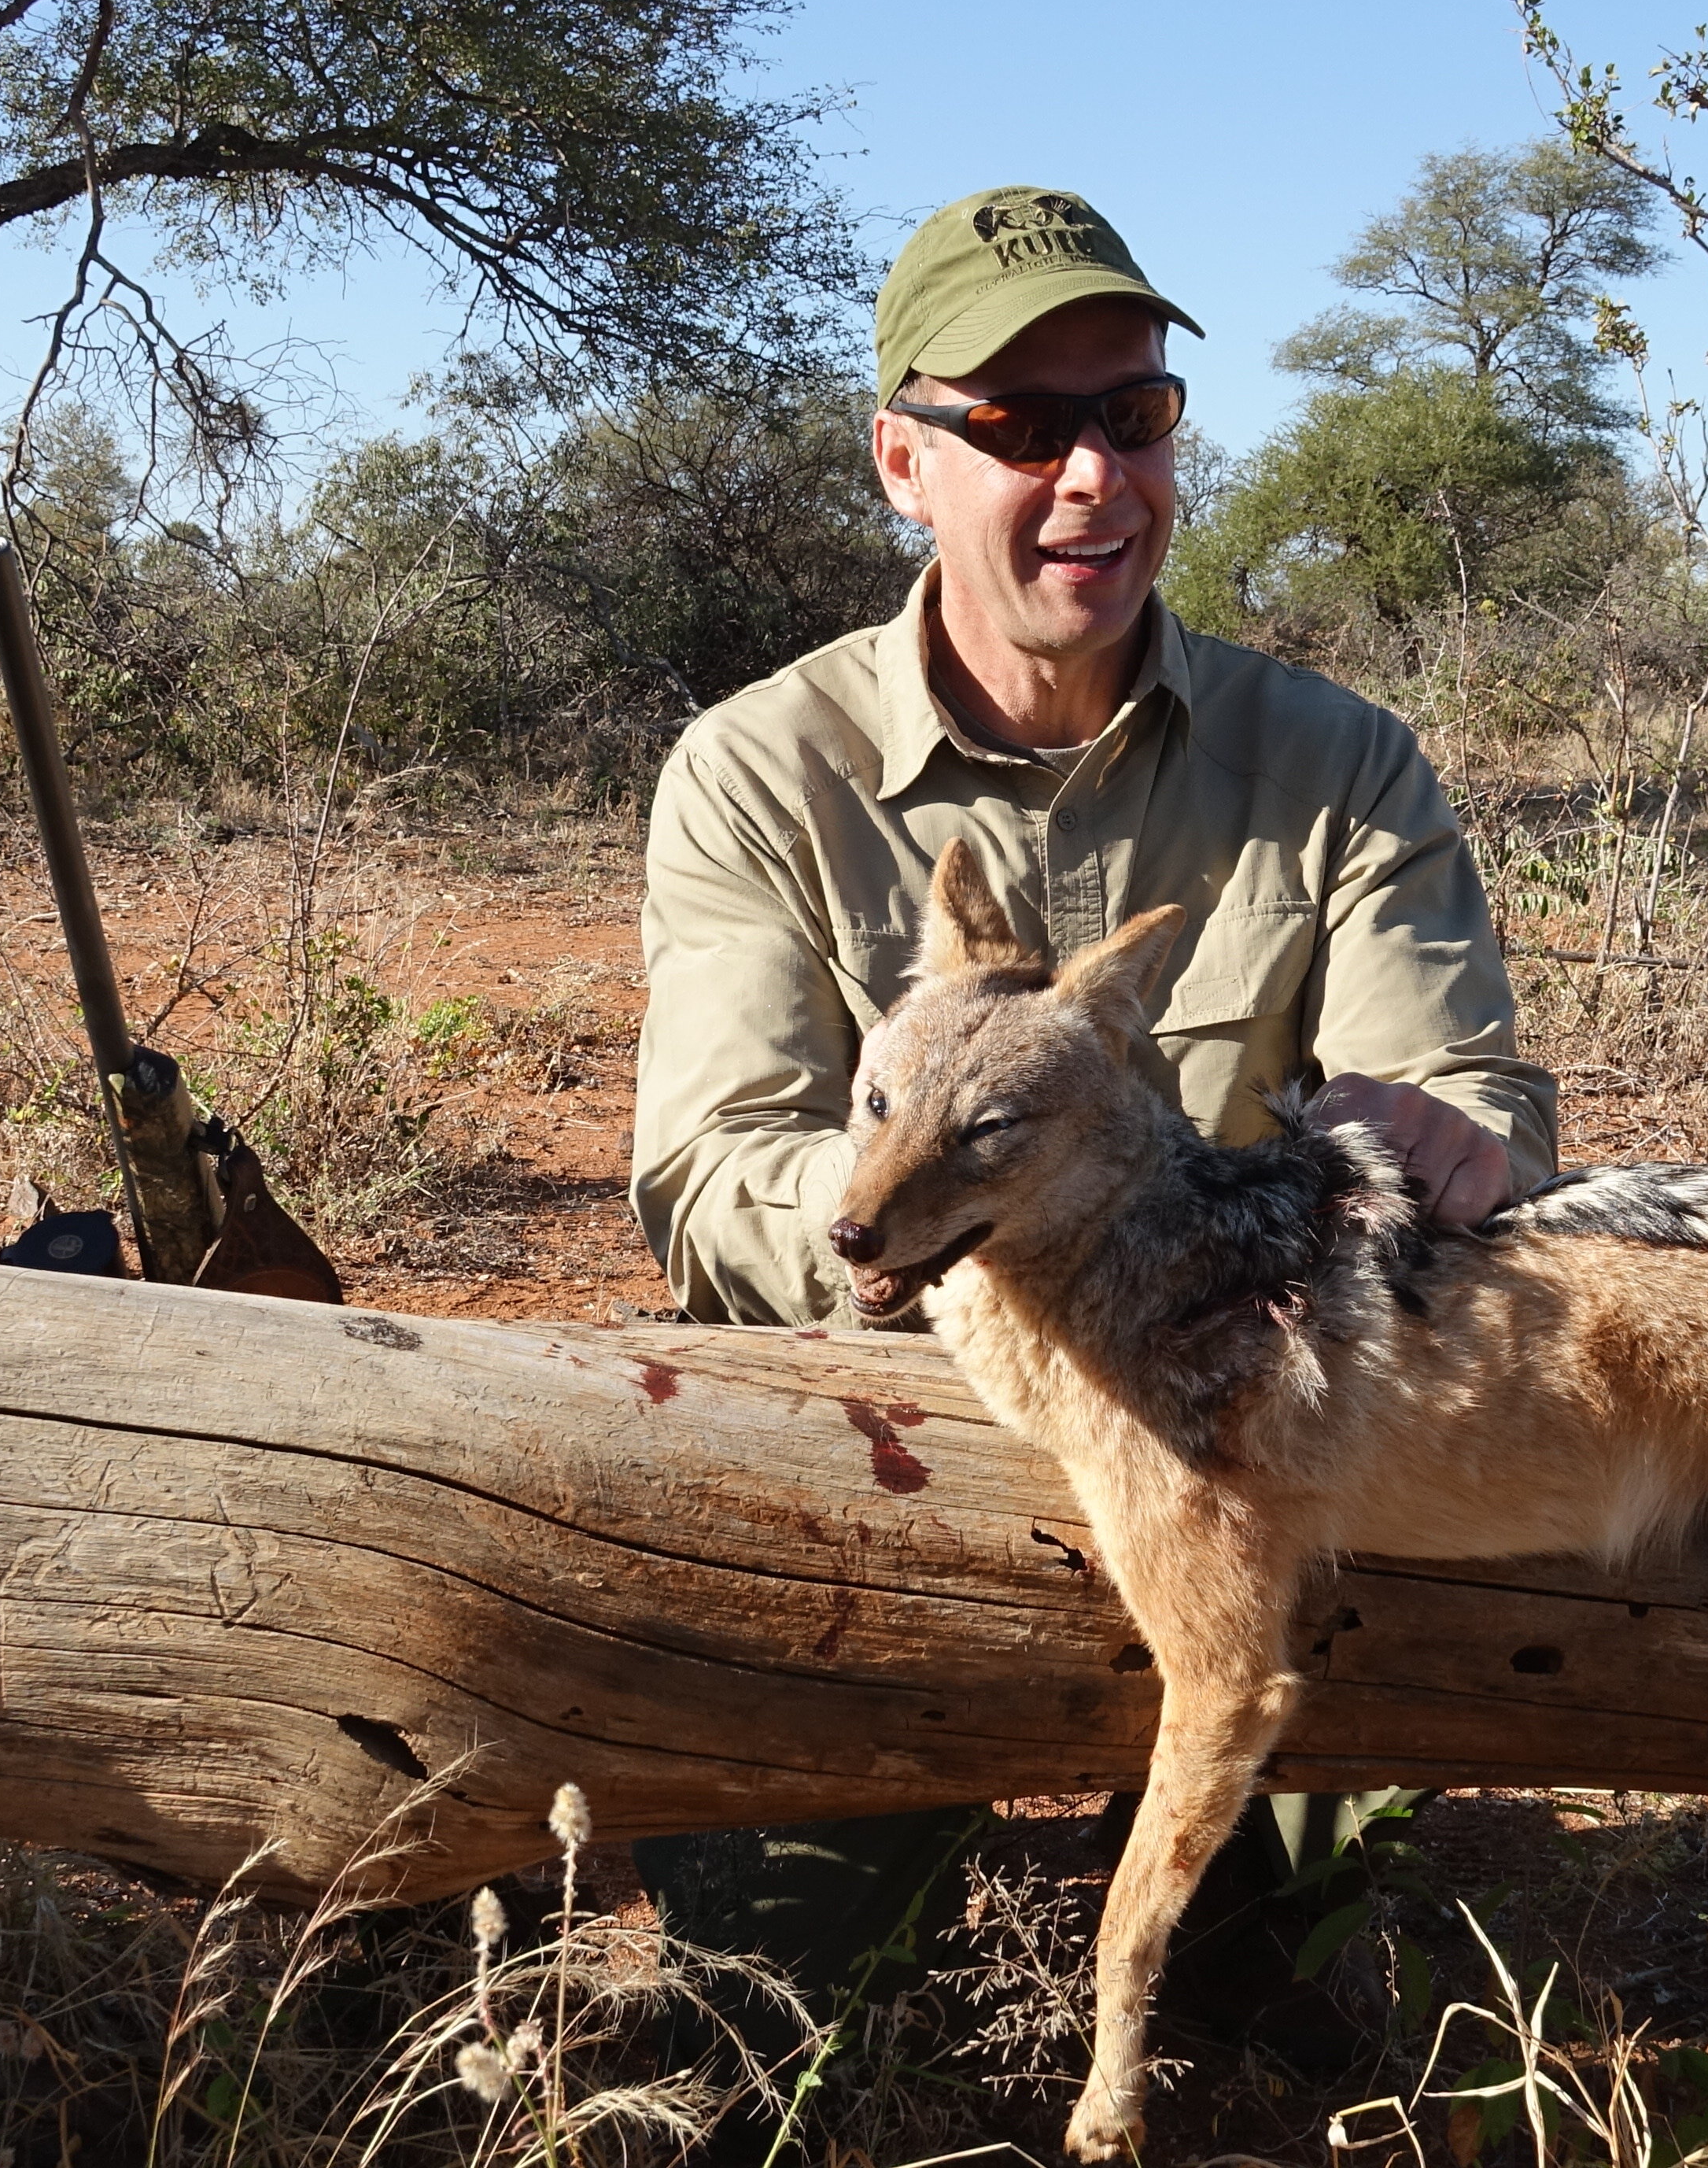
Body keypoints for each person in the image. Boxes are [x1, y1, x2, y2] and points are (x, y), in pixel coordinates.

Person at [622, 179, 1556, 2078]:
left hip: (1236, 1439)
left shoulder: (1337, 760)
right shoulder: (755, 769)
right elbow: (709, 1176)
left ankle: (1240, 1954)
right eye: (1023, 429)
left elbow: (1456, 1094)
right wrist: (922, 1203)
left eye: (1132, 416)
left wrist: (1448, 1128)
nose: (1091, 479)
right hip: (891, 1438)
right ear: (904, 460)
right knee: (776, 2001)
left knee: (1290, 1965)